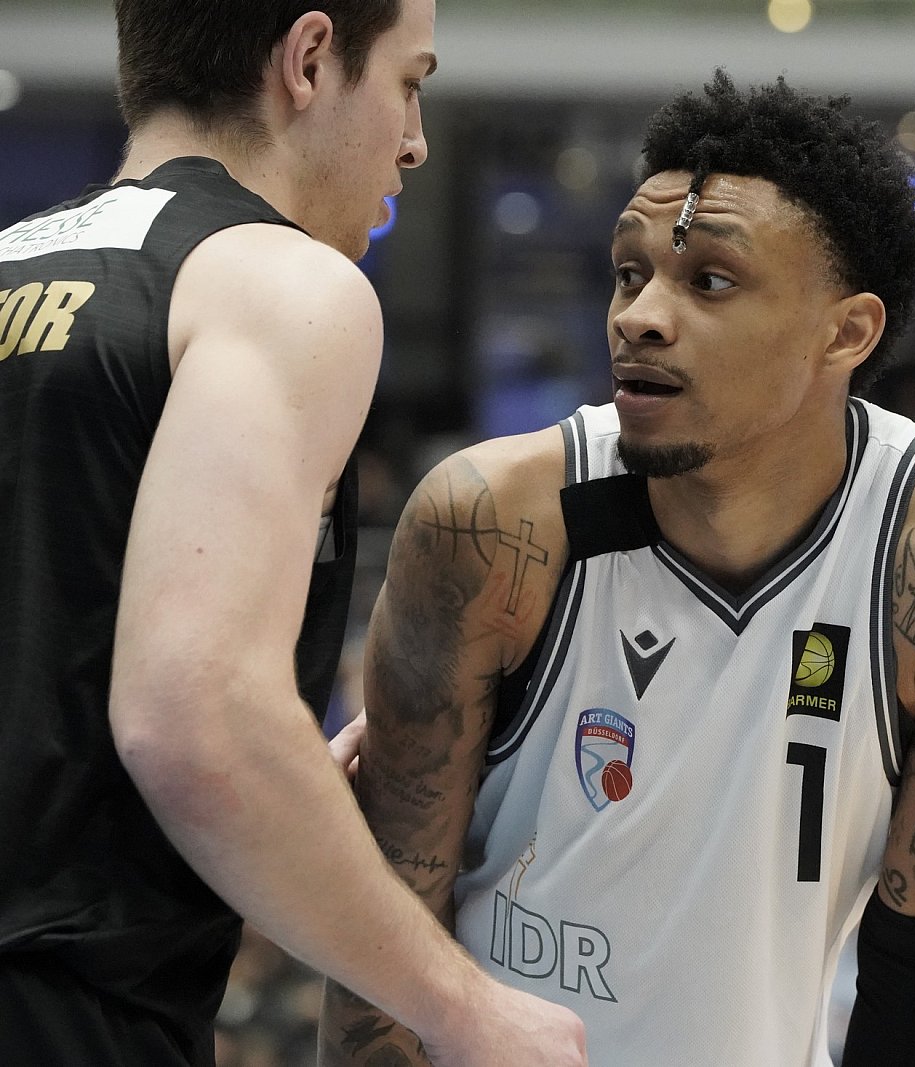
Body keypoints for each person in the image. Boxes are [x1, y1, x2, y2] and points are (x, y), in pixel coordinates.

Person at [322, 71, 915, 1066]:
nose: (640, 315)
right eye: (629, 273)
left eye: (709, 281)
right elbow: (385, 931)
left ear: (847, 331)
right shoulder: (492, 521)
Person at [0, 3, 584, 1065]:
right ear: (310, 59)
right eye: (409, 82)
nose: (416, 140)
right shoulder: (283, 283)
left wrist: (288, 785)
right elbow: (192, 716)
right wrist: (467, 1010)